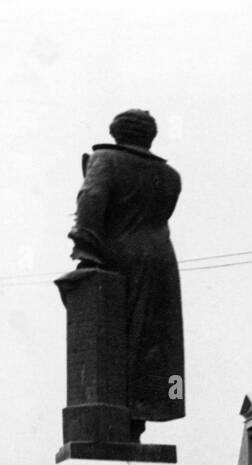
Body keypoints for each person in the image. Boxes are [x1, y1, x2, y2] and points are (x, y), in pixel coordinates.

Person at [67, 109, 184, 437]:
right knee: (156, 348)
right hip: (162, 261)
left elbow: (90, 197)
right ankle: (138, 423)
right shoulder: (171, 175)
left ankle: (110, 425)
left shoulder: (104, 159)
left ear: (116, 133)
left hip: (119, 258)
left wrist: (85, 246)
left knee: (112, 341)